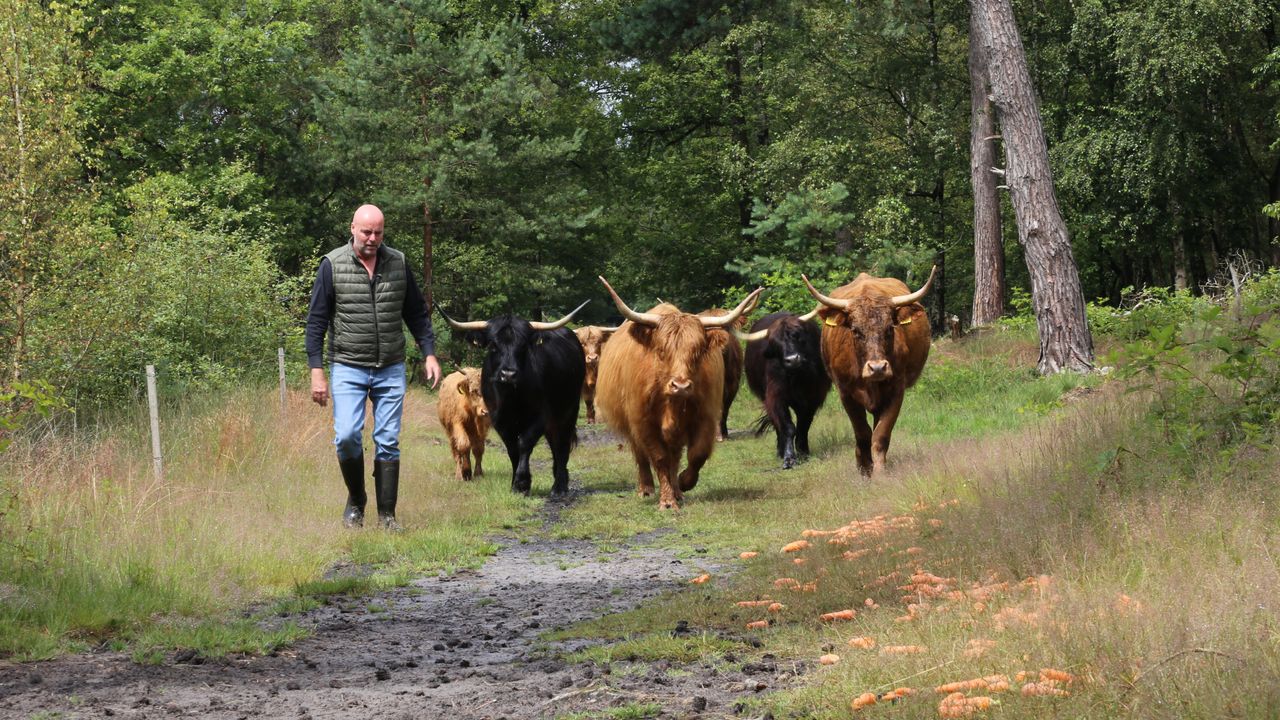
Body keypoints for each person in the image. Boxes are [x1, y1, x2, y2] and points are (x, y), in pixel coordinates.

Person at [305, 204, 442, 530]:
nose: (372, 238)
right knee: (347, 436)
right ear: (352, 228)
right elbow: (316, 322)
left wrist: (429, 353)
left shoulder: (398, 263)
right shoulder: (332, 265)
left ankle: (387, 516)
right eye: (366, 232)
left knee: (388, 439)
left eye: (378, 233)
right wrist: (316, 371)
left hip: (390, 366)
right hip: (348, 365)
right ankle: (357, 501)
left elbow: (416, 313)